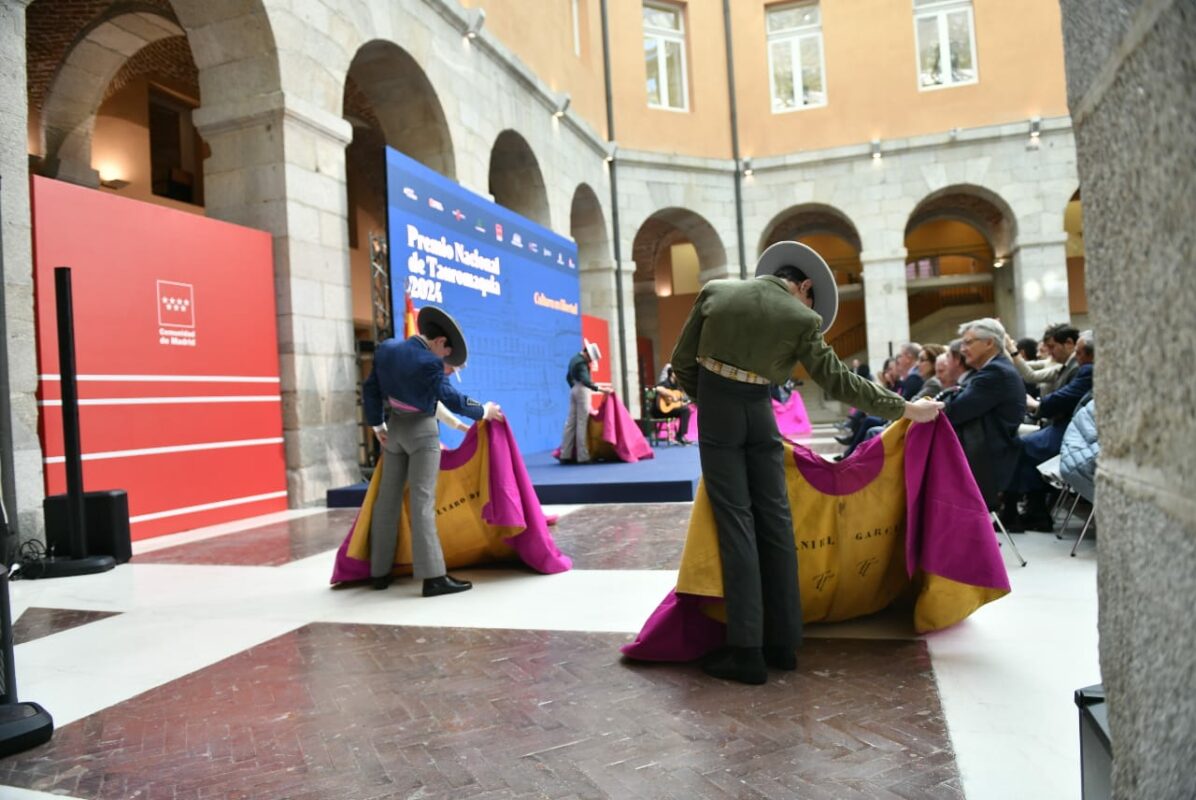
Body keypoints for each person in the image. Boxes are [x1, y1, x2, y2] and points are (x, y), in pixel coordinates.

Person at [671, 241, 942, 685]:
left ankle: (746, 651)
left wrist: (709, 400)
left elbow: (683, 361)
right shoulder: (802, 318)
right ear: (804, 286)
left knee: (736, 523)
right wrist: (906, 409)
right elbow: (840, 380)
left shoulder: (717, 293)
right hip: (761, 412)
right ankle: (783, 643)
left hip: (719, 408)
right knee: (776, 521)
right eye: (814, 298)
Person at [363, 306, 504, 597]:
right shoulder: (429, 362)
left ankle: (379, 572)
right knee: (422, 501)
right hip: (422, 433)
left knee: (387, 500)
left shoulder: (387, 349)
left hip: (394, 431)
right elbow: (452, 399)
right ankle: (433, 577)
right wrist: (484, 411)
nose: (445, 360)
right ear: (440, 343)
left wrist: (378, 426)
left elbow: (371, 389)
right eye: (446, 353)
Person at [942, 319, 1027, 511]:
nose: (962, 349)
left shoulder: (995, 372)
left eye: (968, 342)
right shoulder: (995, 368)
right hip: (982, 449)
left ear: (989, 343)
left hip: (988, 457)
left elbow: (956, 410)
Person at [559, 342, 608, 463]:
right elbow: (586, 381)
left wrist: (573, 387)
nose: (590, 361)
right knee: (582, 422)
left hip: (574, 388)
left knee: (570, 423)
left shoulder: (574, 359)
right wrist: (600, 389)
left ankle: (565, 454)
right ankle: (583, 456)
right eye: (590, 358)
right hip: (582, 390)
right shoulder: (581, 363)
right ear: (587, 353)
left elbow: (567, 377)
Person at [655, 365, 693, 445]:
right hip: (659, 411)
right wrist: (671, 395)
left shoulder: (676, 386)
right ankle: (680, 436)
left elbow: (677, 401)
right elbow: (658, 388)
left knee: (685, 409)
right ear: (672, 374)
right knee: (685, 410)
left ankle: (681, 435)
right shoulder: (666, 383)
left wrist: (681, 403)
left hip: (669, 410)